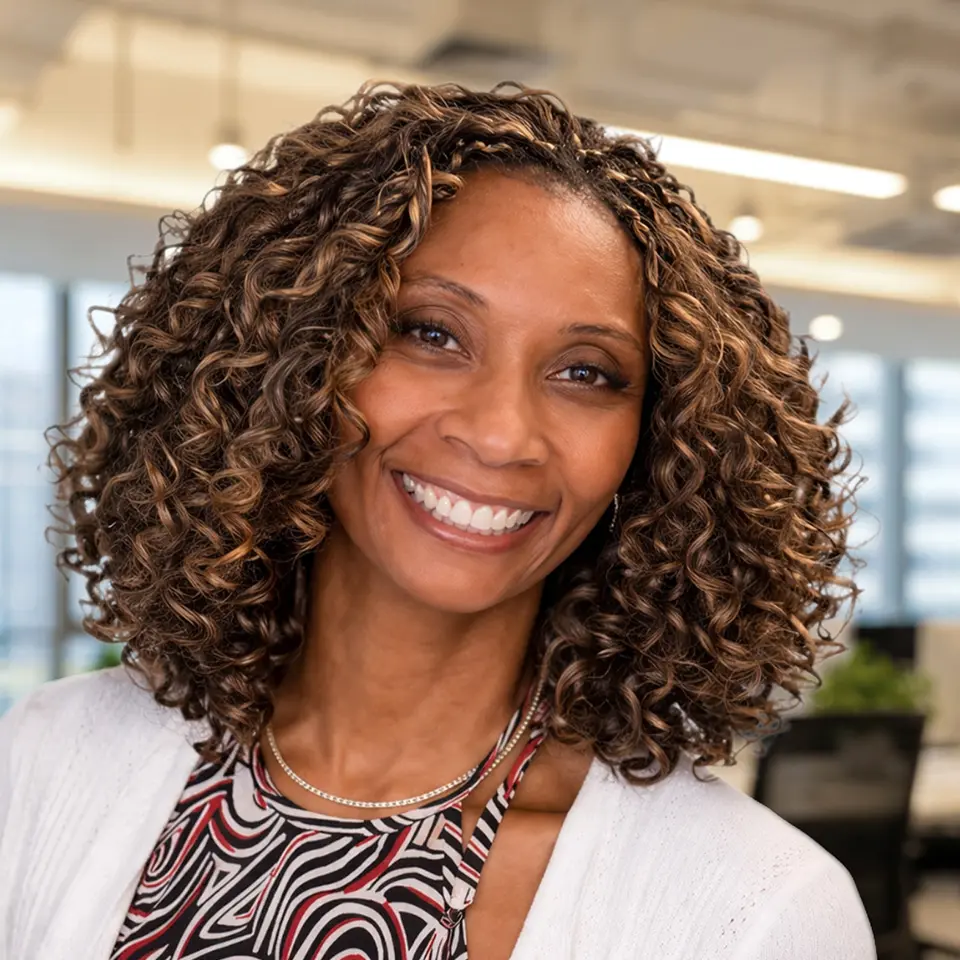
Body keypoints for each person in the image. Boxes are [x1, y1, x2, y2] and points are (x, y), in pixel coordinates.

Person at [0, 81, 875, 960]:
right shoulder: (47, 762)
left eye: (586, 373)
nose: (500, 434)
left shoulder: (752, 910)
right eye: (432, 332)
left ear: (658, 448)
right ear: (295, 361)